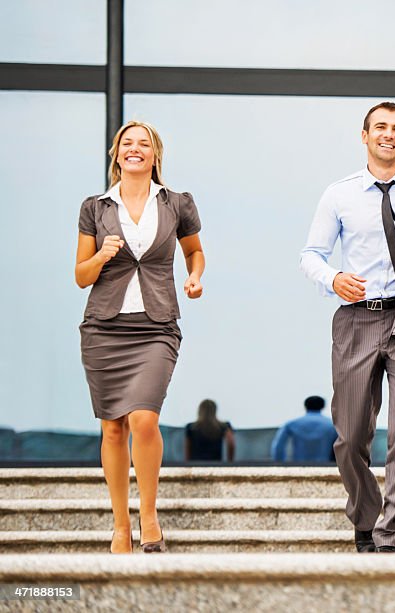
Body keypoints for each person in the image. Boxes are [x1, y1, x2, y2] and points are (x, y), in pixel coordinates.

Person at [300, 101, 395, 554]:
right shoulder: (339, 194)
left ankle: (389, 532)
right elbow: (310, 254)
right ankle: (366, 518)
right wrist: (333, 279)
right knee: (350, 436)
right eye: (380, 127)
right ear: (364, 136)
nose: (389, 134)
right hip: (355, 317)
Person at [76, 120, 205, 554]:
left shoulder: (177, 203)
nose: (135, 149)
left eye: (143, 144)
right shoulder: (95, 207)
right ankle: (120, 525)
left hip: (156, 327)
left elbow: (194, 251)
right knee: (112, 428)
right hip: (104, 328)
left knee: (143, 418)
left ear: (155, 155)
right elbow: (80, 276)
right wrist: (102, 255)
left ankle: (149, 516)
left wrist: (195, 278)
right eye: (127, 143)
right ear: (116, 153)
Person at [270, 395, 337, 462]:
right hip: (325, 465)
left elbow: (278, 446)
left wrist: (280, 463)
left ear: (305, 406)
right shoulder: (332, 424)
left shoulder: (291, 424)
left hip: (299, 465)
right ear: (323, 406)